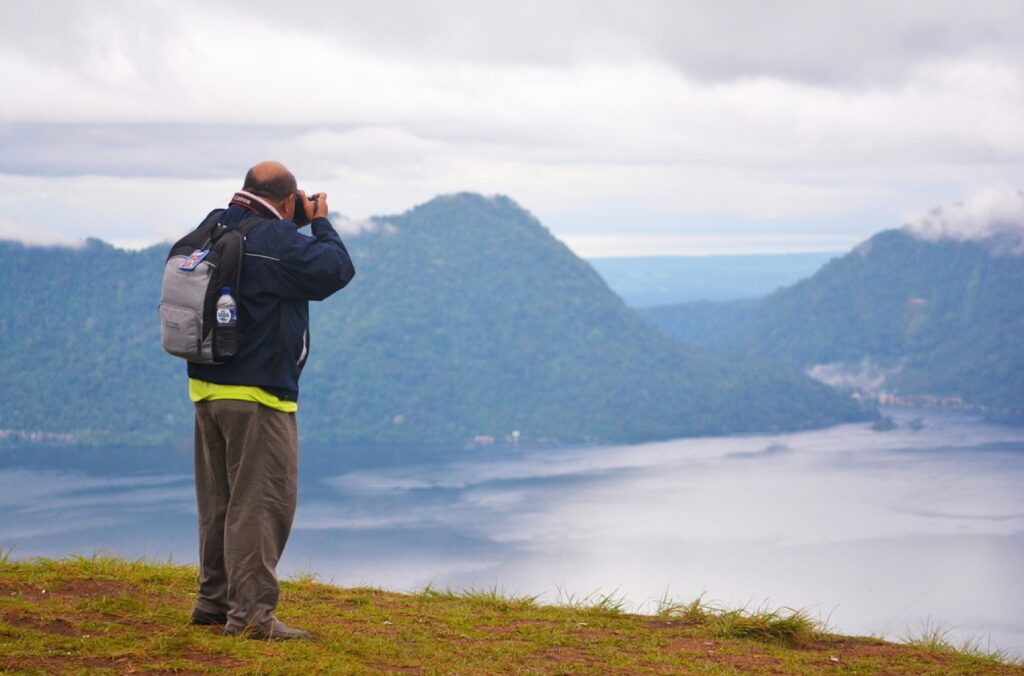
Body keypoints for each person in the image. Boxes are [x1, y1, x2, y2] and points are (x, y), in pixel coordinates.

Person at [186, 161, 355, 640]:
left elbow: (263, 251)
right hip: (259, 395)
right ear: (287, 201)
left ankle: (213, 602)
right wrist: (319, 221)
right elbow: (334, 270)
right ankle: (253, 618)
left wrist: (291, 222)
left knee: (219, 502)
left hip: (206, 387)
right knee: (259, 506)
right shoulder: (278, 241)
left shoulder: (214, 226)